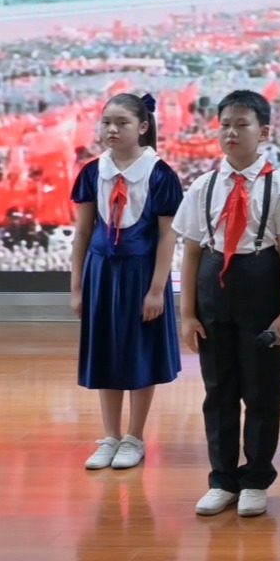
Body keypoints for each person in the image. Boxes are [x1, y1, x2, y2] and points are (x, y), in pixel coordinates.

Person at [174, 90, 280, 517]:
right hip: (214, 287)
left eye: (242, 125)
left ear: (264, 132)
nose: (231, 133)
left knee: (261, 389)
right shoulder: (203, 185)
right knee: (218, 390)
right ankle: (222, 479)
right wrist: (187, 312)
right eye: (225, 125)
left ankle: (255, 477)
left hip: (262, 282)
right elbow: (192, 250)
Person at [70, 92, 183, 471]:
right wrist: (76, 286)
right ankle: (110, 435)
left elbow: (168, 235)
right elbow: (83, 233)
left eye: (122, 122)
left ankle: (135, 436)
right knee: (105, 350)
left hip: (141, 274)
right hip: (101, 273)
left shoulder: (160, 173)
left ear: (143, 127)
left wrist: (156, 289)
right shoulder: (91, 172)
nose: (112, 129)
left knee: (139, 352)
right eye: (106, 122)